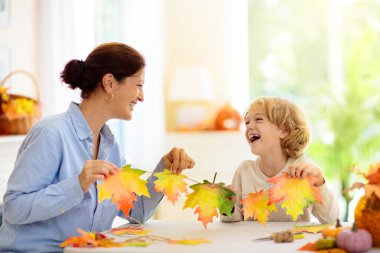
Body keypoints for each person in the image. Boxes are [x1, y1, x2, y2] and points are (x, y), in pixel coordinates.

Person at [0, 42, 195, 253]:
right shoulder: (51, 133)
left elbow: (136, 210)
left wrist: (165, 169)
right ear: (110, 83)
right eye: (138, 85)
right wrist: (77, 185)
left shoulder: (110, 147)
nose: (142, 96)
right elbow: (14, 208)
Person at [221, 96, 338, 224]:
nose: (249, 126)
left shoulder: (303, 168)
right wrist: (228, 206)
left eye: (258, 119)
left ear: (284, 131)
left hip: (294, 241)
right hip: (252, 243)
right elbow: (232, 220)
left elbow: (331, 219)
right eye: (247, 122)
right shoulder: (244, 171)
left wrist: (319, 181)